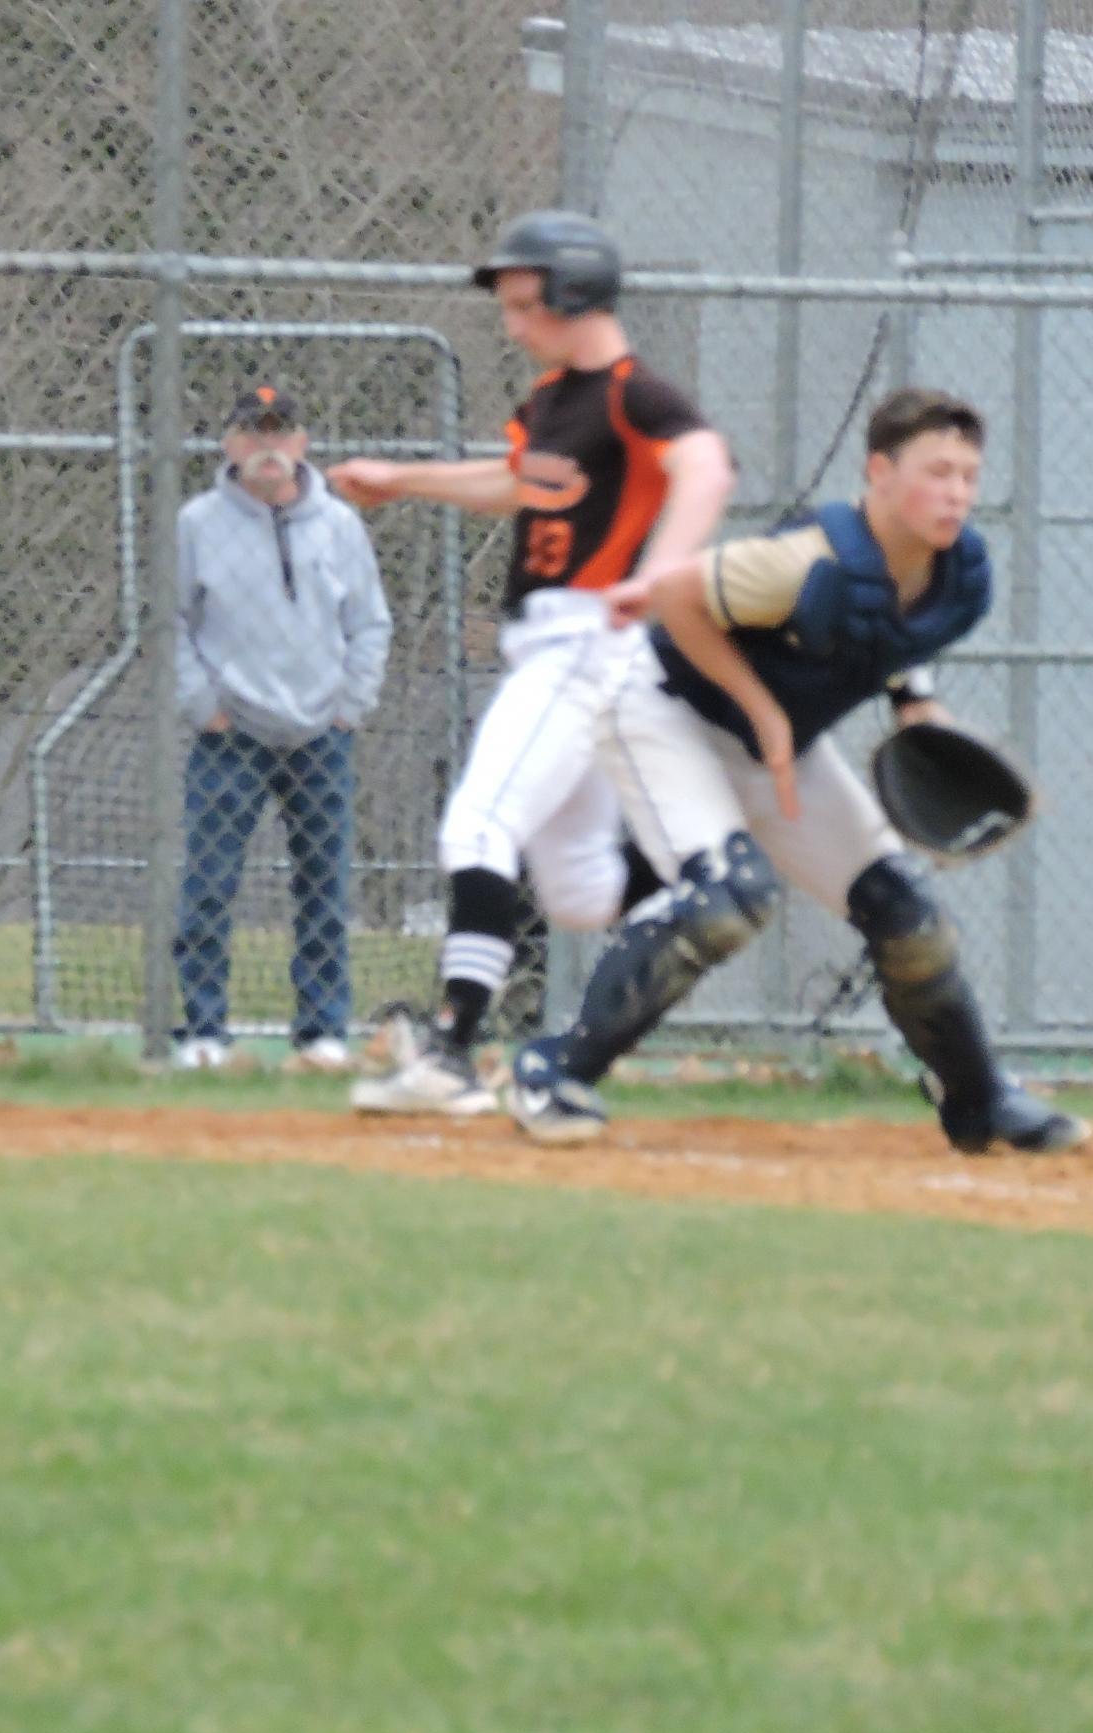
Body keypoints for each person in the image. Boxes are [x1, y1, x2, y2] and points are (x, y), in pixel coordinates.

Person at [505, 388, 1085, 1156]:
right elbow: (674, 597)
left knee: (906, 912)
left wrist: (913, 704)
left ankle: (977, 1099)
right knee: (727, 898)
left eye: (967, 476)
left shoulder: (958, 576)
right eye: (934, 471)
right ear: (877, 471)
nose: (954, 493)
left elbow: (885, 635)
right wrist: (766, 712)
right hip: (660, 711)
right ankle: (553, 1068)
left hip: (771, 745)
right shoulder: (805, 562)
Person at [335, 212, 734, 1115]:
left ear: (576, 295)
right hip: (552, 647)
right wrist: (401, 480)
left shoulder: (637, 394)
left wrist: (659, 571)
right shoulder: (552, 401)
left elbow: (706, 469)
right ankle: (716, 864)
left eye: (527, 305)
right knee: (584, 892)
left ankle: (447, 1053)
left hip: (584, 644)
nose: (514, 324)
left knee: (476, 828)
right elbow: (517, 485)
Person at [168, 384, 391, 1073]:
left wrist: (348, 705)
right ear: (229, 444)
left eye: (280, 432)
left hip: (320, 736)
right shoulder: (197, 523)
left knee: (323, 888)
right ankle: (204, 1032)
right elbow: (171, 622)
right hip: (229, 735)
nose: (267, 447)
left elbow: (369, 623)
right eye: (252, 432)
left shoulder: (339, 525)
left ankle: (321, 1034)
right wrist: (203, 705)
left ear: (302, 443)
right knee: (208, 885)